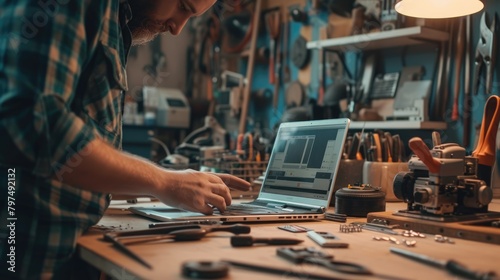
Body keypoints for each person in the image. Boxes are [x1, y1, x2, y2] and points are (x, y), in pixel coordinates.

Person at [0, 0, 250, 279]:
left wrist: (171, 185)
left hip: (64, 247)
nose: (178, 28)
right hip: (22, 251)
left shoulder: (115, 17)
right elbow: (34, 124)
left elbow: (73, 161)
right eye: (182, 6)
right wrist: (164, 182)